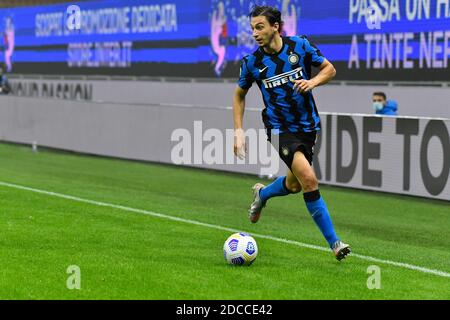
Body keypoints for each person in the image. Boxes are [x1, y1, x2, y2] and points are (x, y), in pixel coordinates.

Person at [232, 5, 351, 261]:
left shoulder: (300, 46)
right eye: (252, 28)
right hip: (279, 128)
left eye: (260, 27)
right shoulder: (252, 63)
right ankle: (335, 244)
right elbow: (239, 95)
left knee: (295, 184)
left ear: (275, 26)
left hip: (308, 126)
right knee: (309, 179)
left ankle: (262, 194)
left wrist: (312, 82)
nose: (255, 33)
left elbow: (329, 69)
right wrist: (238, 131)